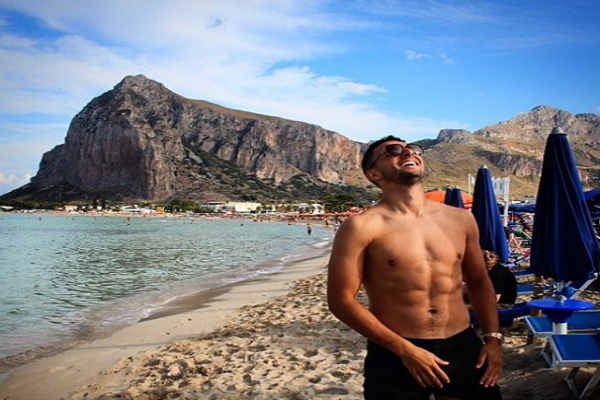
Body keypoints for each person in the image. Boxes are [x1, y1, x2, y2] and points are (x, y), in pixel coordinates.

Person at [327, 135, 503, 400]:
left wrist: (492, 339)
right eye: (393, 151)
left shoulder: (461, 219)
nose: (408, 152)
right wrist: (404, 350)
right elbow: (341, 301)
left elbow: (479, 282)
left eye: (413, 148)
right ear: (374, 174)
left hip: (462, 346)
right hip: (395, 352)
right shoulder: (361, 227)